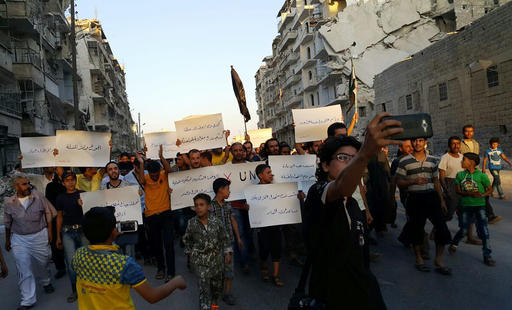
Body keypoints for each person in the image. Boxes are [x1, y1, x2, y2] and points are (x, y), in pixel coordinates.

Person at [304, 113, 399, 309]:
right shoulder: (318, 192)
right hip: (331, 292)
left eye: (354, 159)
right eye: (342, 158)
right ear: (325, 165)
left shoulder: (354, 205)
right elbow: (340, 187)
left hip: (363, 288)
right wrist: (364, 153)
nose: (350, 162)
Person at [73, 207, 186, 310]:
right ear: (114, 231)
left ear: (84, 233)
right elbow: (152, 296)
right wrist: (175, 282)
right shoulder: (124, 264)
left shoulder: (78, 255)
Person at [395, 138, 452, 275]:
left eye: (420, 141)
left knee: (442, 228)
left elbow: (435, 181)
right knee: (417, 229)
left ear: (425, 142)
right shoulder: (404, 161)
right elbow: (399, 183)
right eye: (415, 141)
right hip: (415, 198)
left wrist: (441, 200)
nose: (417, 143)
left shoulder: (433, 160)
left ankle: (438, 260)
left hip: (432, 197)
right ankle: (419, 259)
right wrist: (413, 181)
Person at [4, 174, 57, 309]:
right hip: (19, 239)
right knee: (23, 268)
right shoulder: (9, 202)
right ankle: (27, 300)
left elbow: (49, 213)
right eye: (24, 184)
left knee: (43, 262)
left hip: (39, 235)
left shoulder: (38, 196)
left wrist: (50, 232)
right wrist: (7, 240)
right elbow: (8, 223)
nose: (28, 186)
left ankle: (46, 281)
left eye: (28, 183)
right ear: (16, 187)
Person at [183, 194, 230, 310]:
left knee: (216, 289)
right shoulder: (192, 223)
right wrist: (189, 253)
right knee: (204, 292)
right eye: (196, 205)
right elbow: (186, 239)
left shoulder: (216, 222)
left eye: (201, 205)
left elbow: (224, 238)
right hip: (200, 264)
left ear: (208, 207)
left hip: (216, 263)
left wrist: (227, 252)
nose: (198, 208)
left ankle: (214, 305)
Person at [136, 146, 175, 282]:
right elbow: (141, 180)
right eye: (152, 175)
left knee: (169, 244)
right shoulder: (146, 178)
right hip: (151, 217)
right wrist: (141, 163)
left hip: (166, 214)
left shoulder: (164, 174)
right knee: (157, 245)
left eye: (156, 174)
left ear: (159, 171)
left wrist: (161, 157)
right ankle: (161, 268)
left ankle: (171, 272)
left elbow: (169, 170)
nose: (154, 177)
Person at [449, 153, 495, 266]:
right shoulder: (460, 175)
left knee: (483, 231)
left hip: (480, 206)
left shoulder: (481, 175)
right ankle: (454, 243)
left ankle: (487, 255)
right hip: (465, 206)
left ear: (472, 162)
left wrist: (482, 195)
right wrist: (469, 193)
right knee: (464, 230)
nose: (461, 162)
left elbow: (489, 190)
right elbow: (458, 191)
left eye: (463, 160)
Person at [55, 170, 87, 303]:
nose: (70, 182)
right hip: (67, 232)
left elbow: (90, 213)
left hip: (83, 231)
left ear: (76, 180)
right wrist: (58, 237)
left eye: (72, 179)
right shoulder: (60, 198)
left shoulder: (83, 194)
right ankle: (75, 290)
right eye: (67, 180)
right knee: (71, 263)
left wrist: (83, 206)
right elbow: (59, 217)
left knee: (86, 260)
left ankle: (87, 288)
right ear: (63, 183)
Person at [460, 125, 502, 224]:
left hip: (475, 170)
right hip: (465, 171)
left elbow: (477, 158)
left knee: (483, 193)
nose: (469, 133)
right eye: (467, 131)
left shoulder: (476, 143)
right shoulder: (460, 144)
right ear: (463, 132)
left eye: (471, 131)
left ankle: (490, 215)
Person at [210, 178, 242, 305]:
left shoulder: (228, 205)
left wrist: (238, 237)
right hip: (216, 244)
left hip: (228, 242)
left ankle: (227, 293)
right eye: (227, 189)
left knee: (229, 269)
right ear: (220, 190)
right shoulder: (210, 207)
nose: (229, 192)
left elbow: (233, 221)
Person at [254, 164, 284, 287]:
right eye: (268, 172)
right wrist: (248, 207)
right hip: (263, 227)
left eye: (271, 172)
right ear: (260, 176)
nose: (271, 174)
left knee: (277, 249)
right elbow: (252, 207)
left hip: (276, 225)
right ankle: (264, 268)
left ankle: (276, 276)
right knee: (264, 249)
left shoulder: (277, 188)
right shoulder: (254, 191)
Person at [101, 161, 139, 257]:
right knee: (114, 258)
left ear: (119, 171)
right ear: (107, 173)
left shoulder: (129, 186)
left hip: (127, 226)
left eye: (115, 168)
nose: (113, 171)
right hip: (112, 229)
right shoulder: (103, 189)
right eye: (110, 169)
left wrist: (137, 195)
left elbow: (134, 204)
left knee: (129, 257)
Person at [227, 143, 253, 273]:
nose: (238, 152)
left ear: (244, 151)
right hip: (234, 207)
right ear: (231, 151)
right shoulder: (226, 168)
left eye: (240, 150)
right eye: (235, 150)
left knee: (249, 233)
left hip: (250, 206)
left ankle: (248, 255)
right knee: (240, 234)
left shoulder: (251, 166)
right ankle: (245, 262)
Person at [45, 166, 68, 279]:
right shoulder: (50, 186)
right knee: (56, 243)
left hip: (69, 216)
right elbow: (48, 202)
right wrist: (57, 214)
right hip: (55, 217)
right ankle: (61, 267)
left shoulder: (69, 182)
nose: (57, 169)